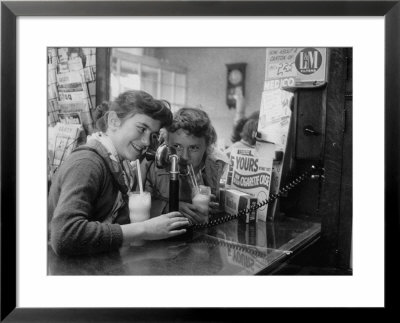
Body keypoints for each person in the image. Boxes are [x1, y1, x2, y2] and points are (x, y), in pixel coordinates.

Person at [48, 90, 190, 256]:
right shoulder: (87, 163)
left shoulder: (118, 164)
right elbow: (64, 236)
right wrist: (144, 229)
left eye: (152, 135)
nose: (146, 142)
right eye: (141, 128)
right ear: (114, 121)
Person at [142, 107, 229, 224]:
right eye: (177, 146)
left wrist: (219, 208)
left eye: (194, 148)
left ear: (207, 146)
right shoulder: (152, 166)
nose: (184, 157)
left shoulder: (219, 170)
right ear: (166, 142)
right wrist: (169, 207)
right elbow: (136, 204)